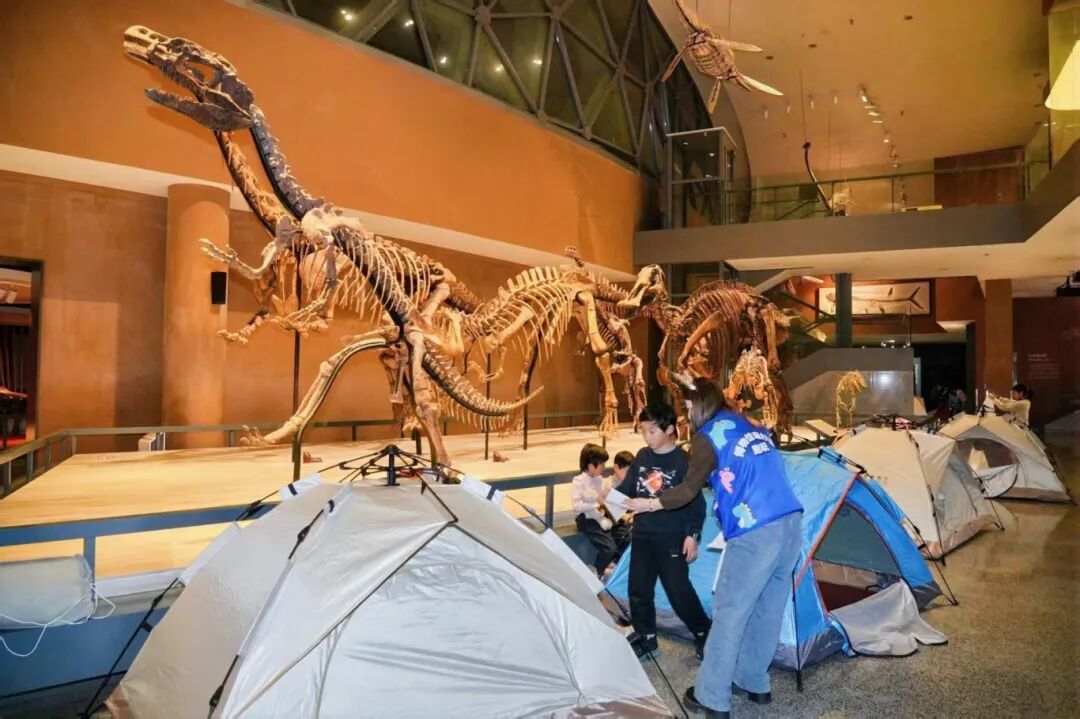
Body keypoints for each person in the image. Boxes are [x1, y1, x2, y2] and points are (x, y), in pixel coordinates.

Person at [631, 379, 803, 719]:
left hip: (755, 530)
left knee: (729, 613)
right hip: (790, 523)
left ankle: (711, 697)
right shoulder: (750, 423)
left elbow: (687, 490)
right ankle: (754, 681)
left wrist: (649, 504)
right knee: (768, 609)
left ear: (699, 405)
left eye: (687, 407)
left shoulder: (708, 435)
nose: (686, 415)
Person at [615, 402, 711, 660]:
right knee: (638, 589)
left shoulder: (682, 461)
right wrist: (609, 499)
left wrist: (692, 535)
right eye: (643, 431)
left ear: (669, 429)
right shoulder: (642, 456)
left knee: (678, 590)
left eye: (652, 431)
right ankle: (646, 637)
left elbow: (697, 504)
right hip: (643, 535)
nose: (646, 437)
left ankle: (703, 632)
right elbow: (627, 489)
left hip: (671, 537)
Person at [571, 443, 619, 577]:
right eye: (602, 464)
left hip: (600, 517)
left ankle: (608, 566)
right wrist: (596, 505)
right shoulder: (578, 481)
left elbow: (606, 498)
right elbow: (577, 506)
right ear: (591, 465)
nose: (604, 467)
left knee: (622, 536)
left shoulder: (600, 480)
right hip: (585, 518)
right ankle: (596, 572)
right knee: (609, 548)